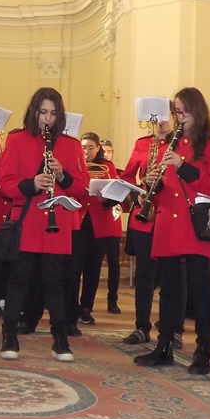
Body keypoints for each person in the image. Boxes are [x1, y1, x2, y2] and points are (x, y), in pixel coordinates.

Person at [134, 88, 210, 372]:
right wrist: (150, 188)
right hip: (167, 225)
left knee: (200, 288)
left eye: (184, 109)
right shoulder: (166, 147)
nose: (179, 115)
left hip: (195, 225)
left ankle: (204, 350)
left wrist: (184, 165)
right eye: (176, 110)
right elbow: (165, 195)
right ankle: (163, 346)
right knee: (169, 289)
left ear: (198, 111)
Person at [0, 88, 88, 362]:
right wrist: (32, 183)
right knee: (18, 280)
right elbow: (4, 184)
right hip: (26, 221)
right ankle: (9, 337)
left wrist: (63, 175)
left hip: (56, 221)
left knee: (56, 282)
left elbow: (82, 189)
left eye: (53, 113)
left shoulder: (71, 146)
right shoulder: (16, 140)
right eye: (42, 112)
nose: (47, 119)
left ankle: (60, 340)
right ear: (34, 112)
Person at [119, 118, 172, 345]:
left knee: (172, 277)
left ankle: (173, 329)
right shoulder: (143, 144)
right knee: (144, 276)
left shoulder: (183, 144)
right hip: (144, 218)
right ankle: (142, 327)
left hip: (170, 216)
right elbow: (127, 176)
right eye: (156, 117)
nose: (161, 122)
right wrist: (140, 189)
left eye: (167, 116)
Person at [76, 133, 123, 320]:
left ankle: (86, 308)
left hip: (99, 222)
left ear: (98, 149)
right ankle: (71, 307)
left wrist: (106, 197)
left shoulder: (108, 167)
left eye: (90, 147)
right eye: (84, 147)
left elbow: (116, 193)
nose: (87, 151)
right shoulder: (75, 163)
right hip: (78, 219)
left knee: (93, 269)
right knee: (74, 267)